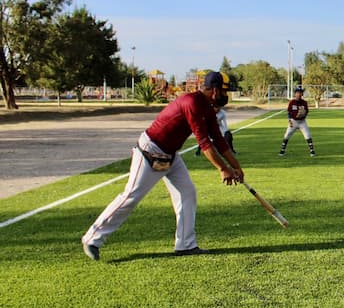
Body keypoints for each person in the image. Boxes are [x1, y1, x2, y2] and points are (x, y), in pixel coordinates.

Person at [81, 71, 244, 261]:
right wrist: (223, 169)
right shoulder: (192, 102)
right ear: (215, 90)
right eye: (225, 92)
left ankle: (185, 245)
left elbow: (219, 140)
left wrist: (237, 167)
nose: (227, 96)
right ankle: (92, 238)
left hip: (171, 155)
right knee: (130, 196)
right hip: (149, 152)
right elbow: (204, 143)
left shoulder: (208, 107)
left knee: (187, 193)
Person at [279, 86, 315, 157]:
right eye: (297, 92)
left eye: (300, 93)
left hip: (302, 122)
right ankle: (282, 150)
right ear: (295, 94)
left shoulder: (304, 102)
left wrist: (303, 114)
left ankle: (312, 151)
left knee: (307, 135)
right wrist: (289, 120)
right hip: (293, 121)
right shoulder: (292, 102)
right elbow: (289, 112)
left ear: (302, 94)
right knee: (286, 135)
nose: (298, 94)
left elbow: (307, 111)